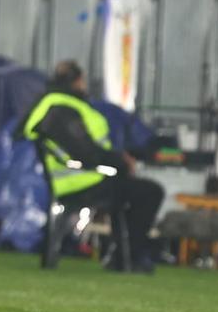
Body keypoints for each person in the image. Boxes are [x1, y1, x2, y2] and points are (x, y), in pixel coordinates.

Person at [19, 60, 164, 273]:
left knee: (134, 191)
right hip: (83, 180)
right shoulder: (62, 108)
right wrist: (121, 162)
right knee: (150, 192)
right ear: (77, 81)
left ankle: (123, 255)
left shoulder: (55, 104)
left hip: (81, 177)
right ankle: (127, 256)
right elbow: (84, 151)